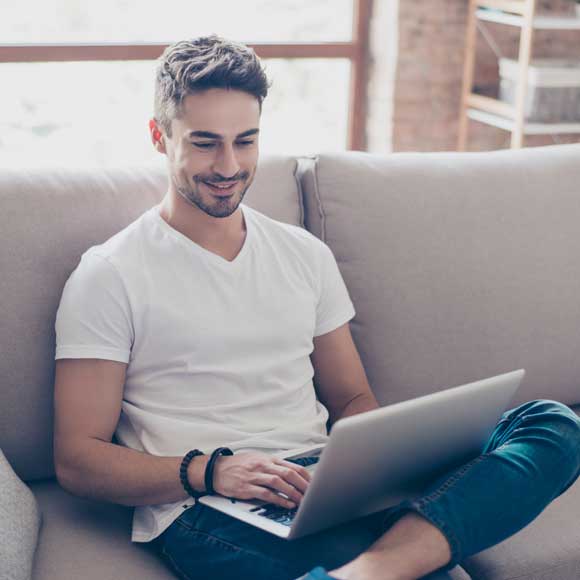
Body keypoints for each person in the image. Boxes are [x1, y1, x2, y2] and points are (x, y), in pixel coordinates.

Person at [53, 35, 580, 580]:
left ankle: (373, 568)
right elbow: (78, 460)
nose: (229, 165)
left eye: (246, 140)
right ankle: (400, 561)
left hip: (323, 484)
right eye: (205, 143)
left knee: (552, 425)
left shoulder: (303, 254)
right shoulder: (110, 274)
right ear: (159, 137)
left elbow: (351, 396)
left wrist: (368, 466)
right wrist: (213, 472)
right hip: (206, 506)